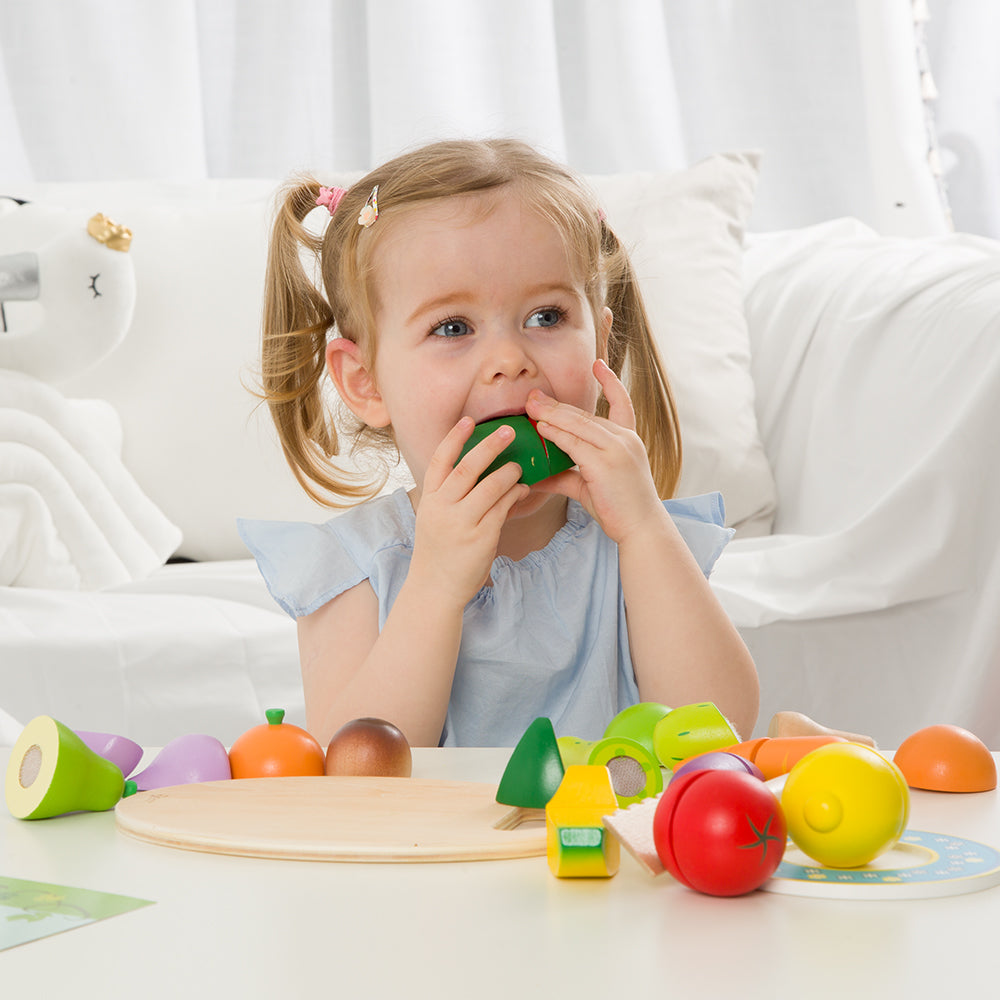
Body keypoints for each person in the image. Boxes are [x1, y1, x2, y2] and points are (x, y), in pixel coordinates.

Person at [238, 138, 759, 748]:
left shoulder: (641, 545)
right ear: (365, 381)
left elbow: (719, 731)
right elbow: (355, 769)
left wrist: (644, 529)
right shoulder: (357, 568)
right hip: (429, 848)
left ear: (601, 342)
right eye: (452, 327)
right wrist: (435, 582)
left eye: (547, 317)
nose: (510, 360)